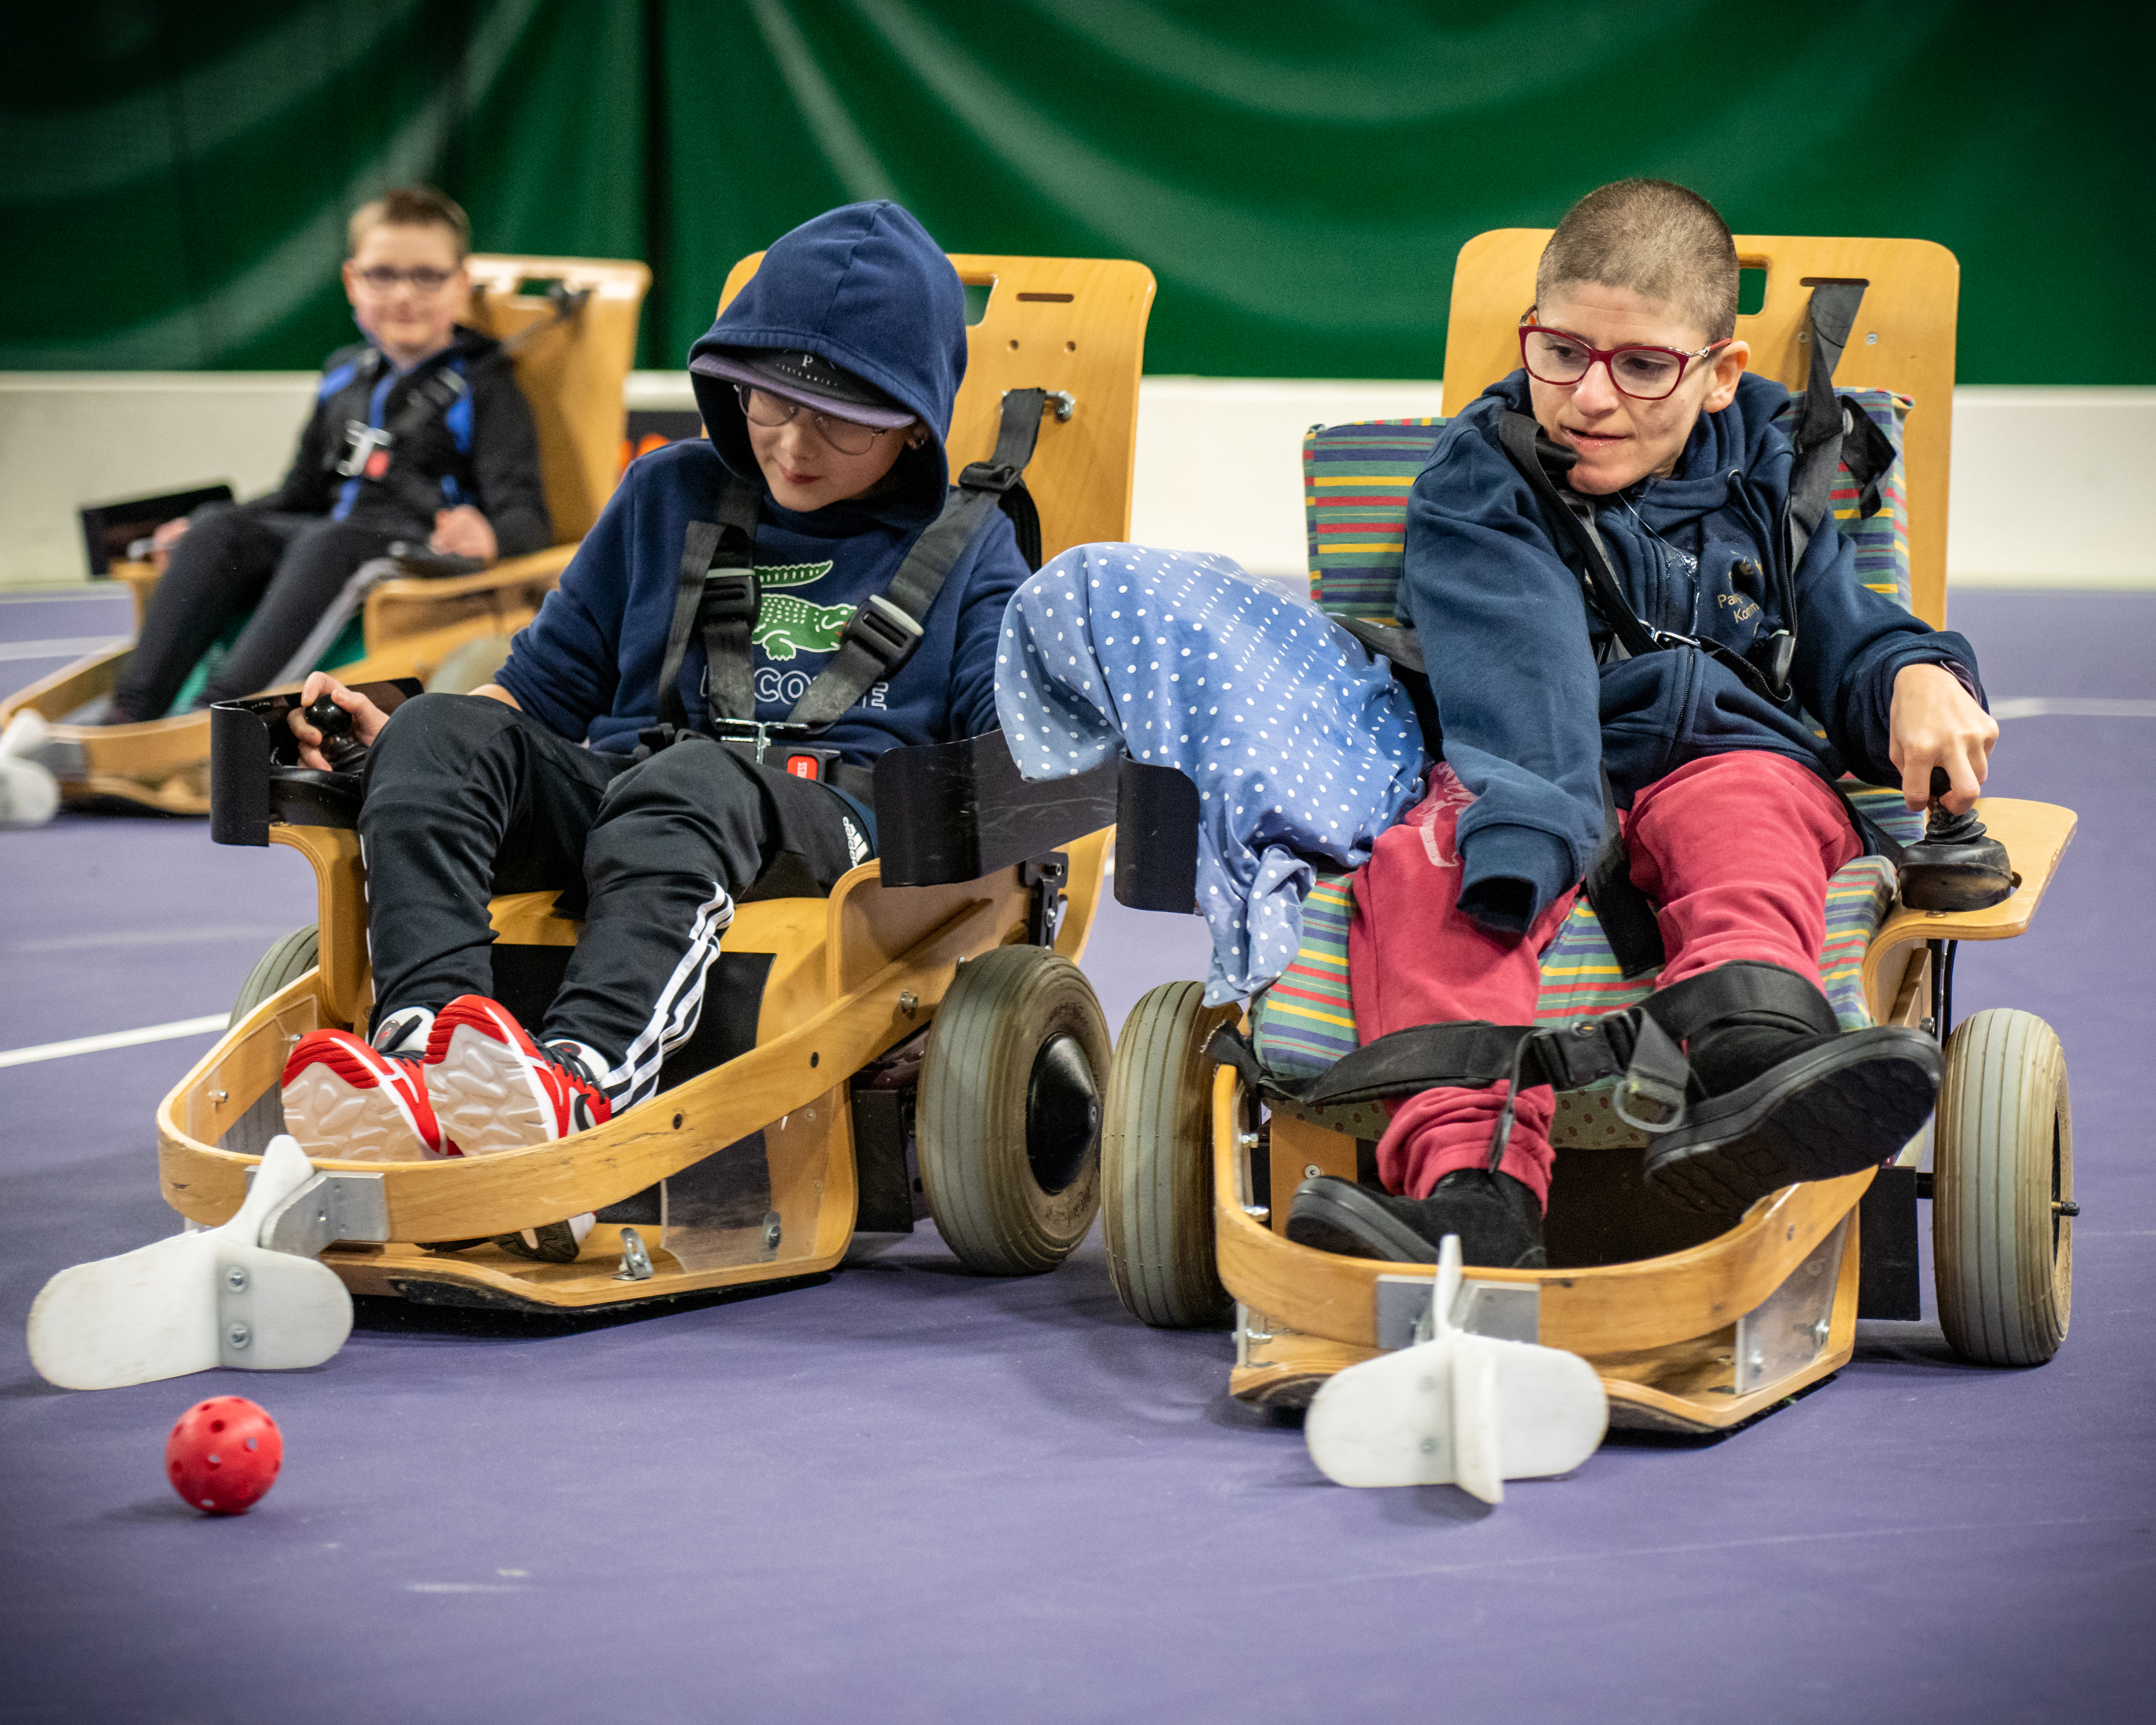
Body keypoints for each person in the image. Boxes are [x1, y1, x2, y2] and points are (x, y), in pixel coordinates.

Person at [273, 201, 1027, 1259]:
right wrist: (390, 746)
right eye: (765, 405)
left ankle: (580, 1084)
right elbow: (531, 700)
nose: (792, 443)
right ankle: (426, 1054)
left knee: (697, 783)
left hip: (845, 834)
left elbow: (1013, 770)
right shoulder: (665, 490)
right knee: (438, 725)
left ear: (913, 422)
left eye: (839, 422)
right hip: (634, 788)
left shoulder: (976, 544)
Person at [1283, 178, 1998, 1268]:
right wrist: (1528, 847)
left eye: (1643, 365)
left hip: (1728, 749)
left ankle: (1751, 1061)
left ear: (1717, 375)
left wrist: (1909, 675)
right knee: (1432, 869)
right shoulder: (1480, 479)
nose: (1590, 399)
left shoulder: (1775, 457)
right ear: (1529, 334)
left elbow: (1841, 620)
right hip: (1524, 767)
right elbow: (1519, 683)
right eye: (1559, 350)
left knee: (1753, 807)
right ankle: (1472, 1190)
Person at [107, 186, 548, 723]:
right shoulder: (344, 373)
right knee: (218, 526)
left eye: (428, 276)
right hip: (328, 538)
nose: (404, 294)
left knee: (329, 542)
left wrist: (493, 536)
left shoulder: (486, 386)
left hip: (413, 553)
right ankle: (131, 711)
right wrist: (204, 526)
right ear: (351, 282)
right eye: (382, 275)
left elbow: (528, 518)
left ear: (461, 285)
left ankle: (216, 717)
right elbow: (299, 495)